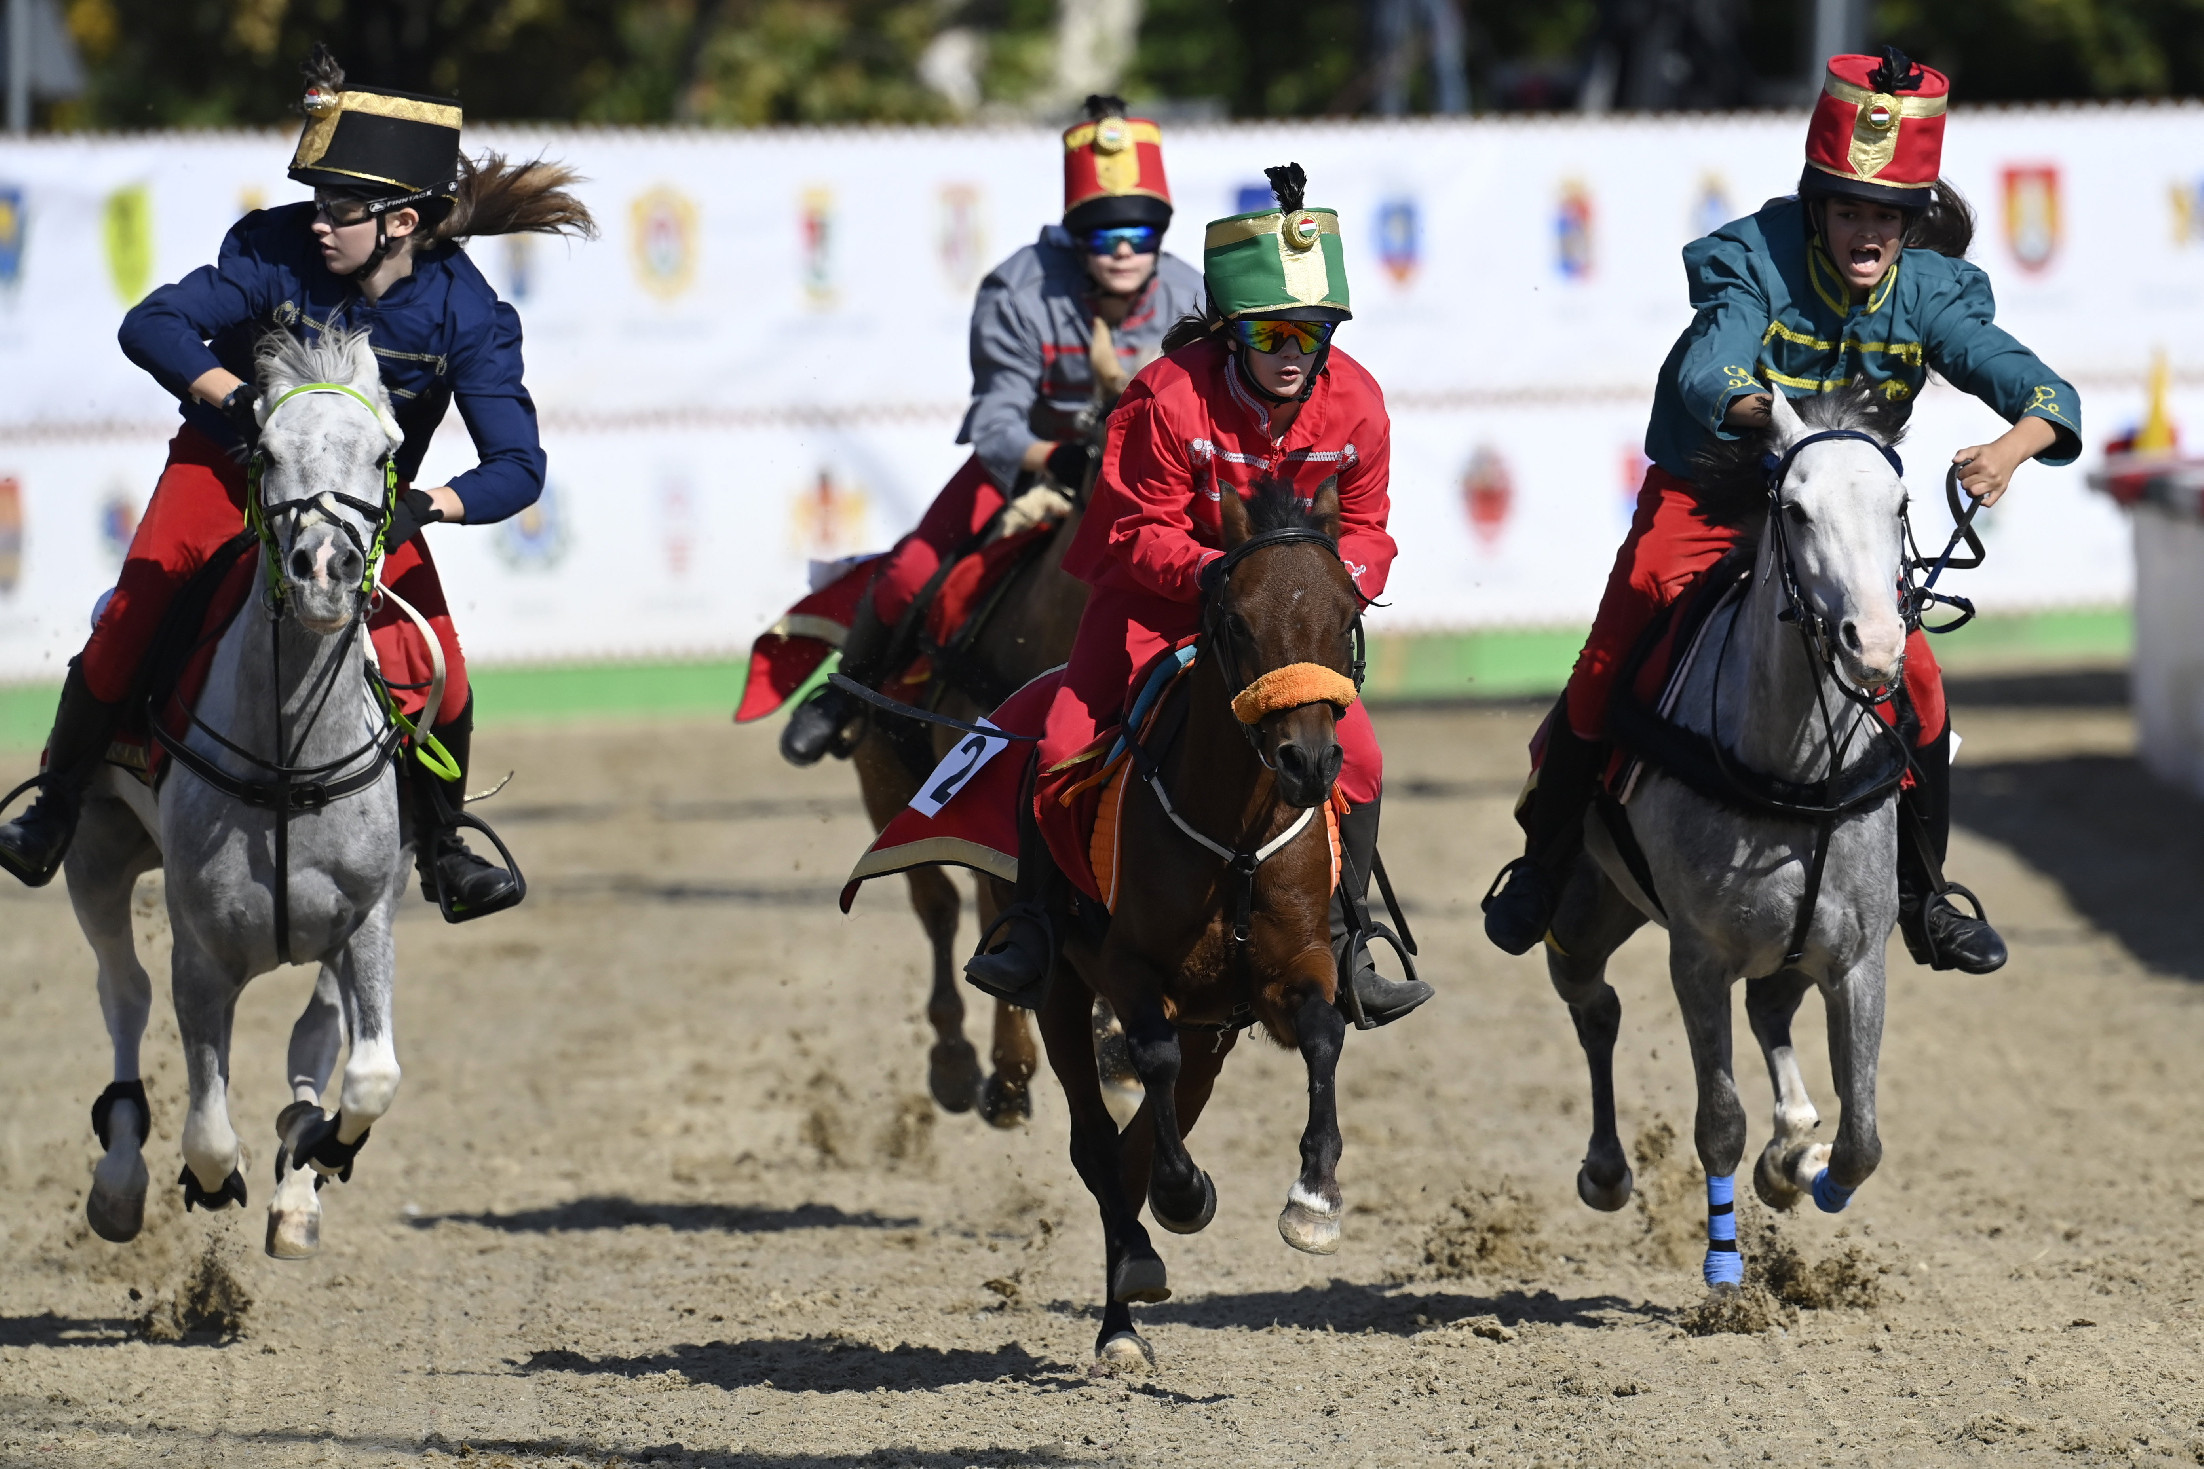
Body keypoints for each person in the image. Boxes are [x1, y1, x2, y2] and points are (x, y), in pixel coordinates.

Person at [1479, 48, 2083, 973]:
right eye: (1849, 209)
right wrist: (1781, 426)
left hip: (1836, 522)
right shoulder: (1750, 255)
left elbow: (2047, 395)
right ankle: (1544, 859)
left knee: (1918, 682)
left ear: (1911, 221)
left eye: (1887, 214)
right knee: (1612, 650)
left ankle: (1926, 898)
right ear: (1819, 205)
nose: (1867, 231)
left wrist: (2008, 450)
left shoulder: (1933, 294)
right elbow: (1706, 368)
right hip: (1711, 492)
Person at [0, 47, 594, 921]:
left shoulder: (468, 311)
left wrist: (425, 506)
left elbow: (518, 466)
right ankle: (53, 806)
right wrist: (240, 405)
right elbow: (152, 322)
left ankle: (442, 847)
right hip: (228, 467)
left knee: (449, 683)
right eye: (318, 200)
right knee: (132, 617)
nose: (319, 222)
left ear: (401, 220)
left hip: (363, 506)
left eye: (342, 207)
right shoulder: (272, 248)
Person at [962, 165, 1434, 1029]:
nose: (1294, 353)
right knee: (1062, 739)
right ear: (1230, 335)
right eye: (1271, 335)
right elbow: (1135, 533)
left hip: (1283, 621)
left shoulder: (1359, 403)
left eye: (1313, 331)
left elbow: (1370, 533)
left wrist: (1331, 587)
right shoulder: (1164, 397)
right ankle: (1032, 924)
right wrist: (1215, 575)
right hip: (1159, 599)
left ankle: (1350, 937)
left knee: (1359, 761)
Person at [778, 95, 1204, 765]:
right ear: (1075, 233)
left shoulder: (1192, 296)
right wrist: (1057, 458)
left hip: (1153, 477)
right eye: (1102, 235)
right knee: (907, 573)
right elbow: (996, 420)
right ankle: (850, 692)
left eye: (1142, 235)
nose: (1123, 251)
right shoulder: (1017, 290)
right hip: (1038, 461)